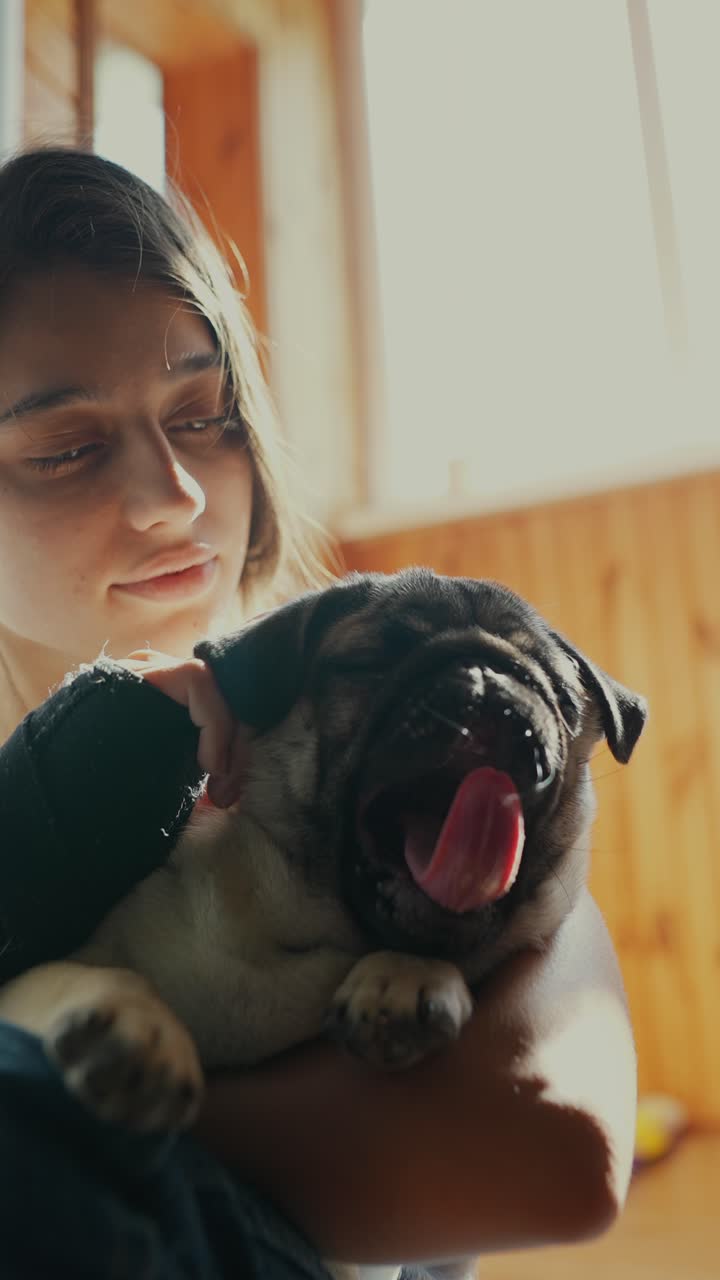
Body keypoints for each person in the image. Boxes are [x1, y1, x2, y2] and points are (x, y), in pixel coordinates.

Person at [0, 146, 636, 1277]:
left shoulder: (364, 712)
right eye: (67, 447)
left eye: (201, 415)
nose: (175, 495)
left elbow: (556, 1155)